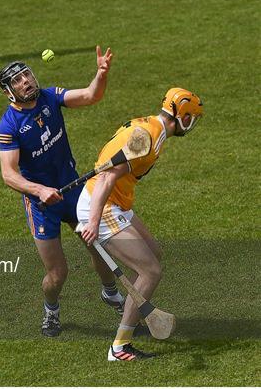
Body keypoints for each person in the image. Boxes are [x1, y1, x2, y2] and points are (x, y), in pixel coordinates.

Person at [0, 47, 126, 337]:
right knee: (58, 273)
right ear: (8, 92)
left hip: (74, 189)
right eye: (17, 81)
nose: (26, 82)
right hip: (42, 205)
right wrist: (39, 190)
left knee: (100, 247)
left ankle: (110, 293)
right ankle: (51, 309)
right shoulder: (9, 125)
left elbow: (91, 96)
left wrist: (101, 74)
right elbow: (8, 174)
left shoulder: (49, 97)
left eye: (26, 75)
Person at [77, 87, 203, 361]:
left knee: (153, 253)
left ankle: (134, 307)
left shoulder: (150, 128)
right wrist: (93, 222)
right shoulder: (148, 136)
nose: (191, 124)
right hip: (101, 205)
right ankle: (120, 346)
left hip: (116, 203)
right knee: (151, 271)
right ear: (182, 117)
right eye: (191, 118)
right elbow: (107, 179)